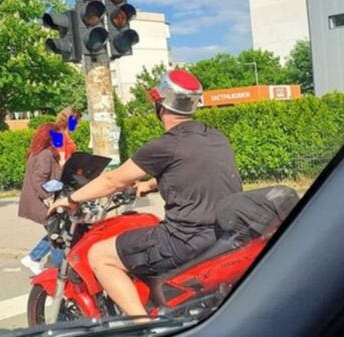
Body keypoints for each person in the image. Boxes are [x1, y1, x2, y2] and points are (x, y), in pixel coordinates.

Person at [49, 70, 243, 318]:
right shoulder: (215, 136)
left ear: (160, 104)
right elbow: (192, 171)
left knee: (99, 254)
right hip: (224, 232)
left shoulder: (166, 144)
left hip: (184, 240)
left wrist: (71, 199)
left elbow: (112, 180)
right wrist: (149, 185)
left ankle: (142, 325)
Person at [18, 123, 64, 275]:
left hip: (34, 200)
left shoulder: (35, 152)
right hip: (41, 202)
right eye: (57, 135)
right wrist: (49, 197)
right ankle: (55, 268)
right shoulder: (46, 154)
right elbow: (39, 180)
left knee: (55, 232)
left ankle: (34, 258)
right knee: (58, 235)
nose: (60, 137)